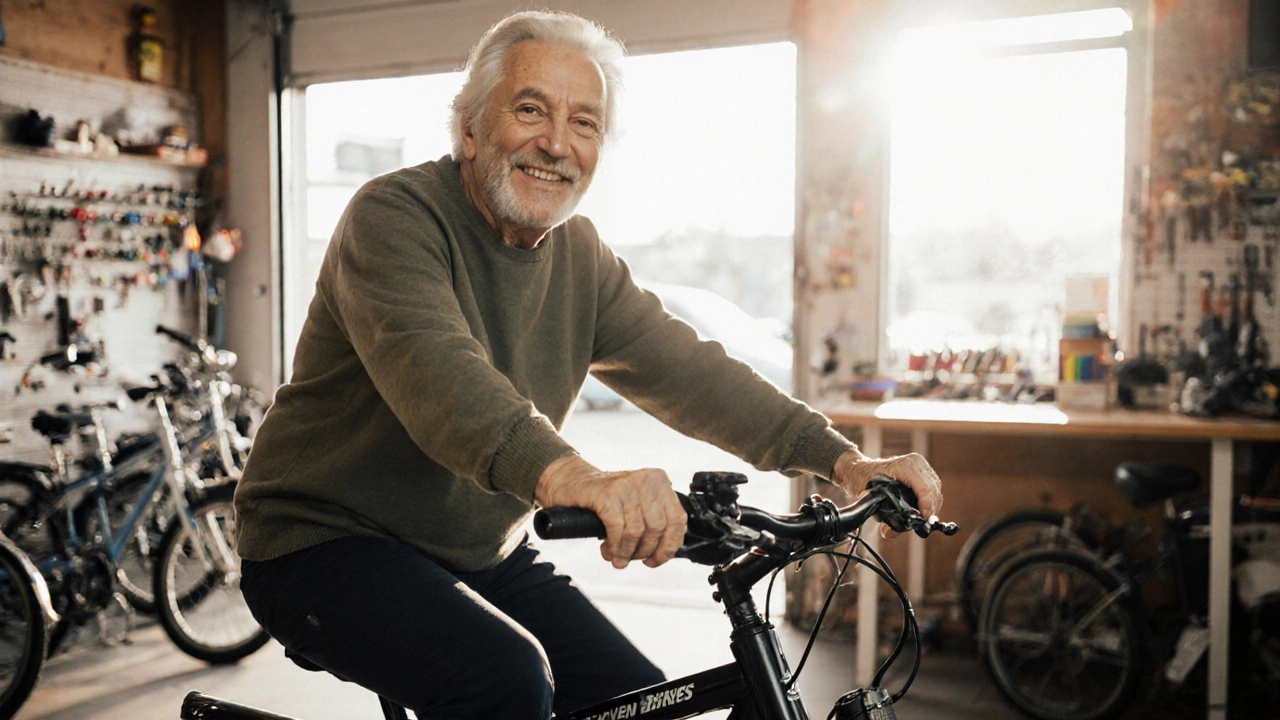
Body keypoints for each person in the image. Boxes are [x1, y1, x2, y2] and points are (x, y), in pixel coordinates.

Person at [234, 9, 943, 719]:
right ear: (471, 125)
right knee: (504, 680)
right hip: (322, 543)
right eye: (530, 109)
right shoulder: (393, 217)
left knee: (638, 702)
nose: (555, 143)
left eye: (584, 122)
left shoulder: (580, 256)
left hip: (477, 549)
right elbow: (441, 380)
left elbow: (691, 372)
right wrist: (578, 476)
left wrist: (842, 461)